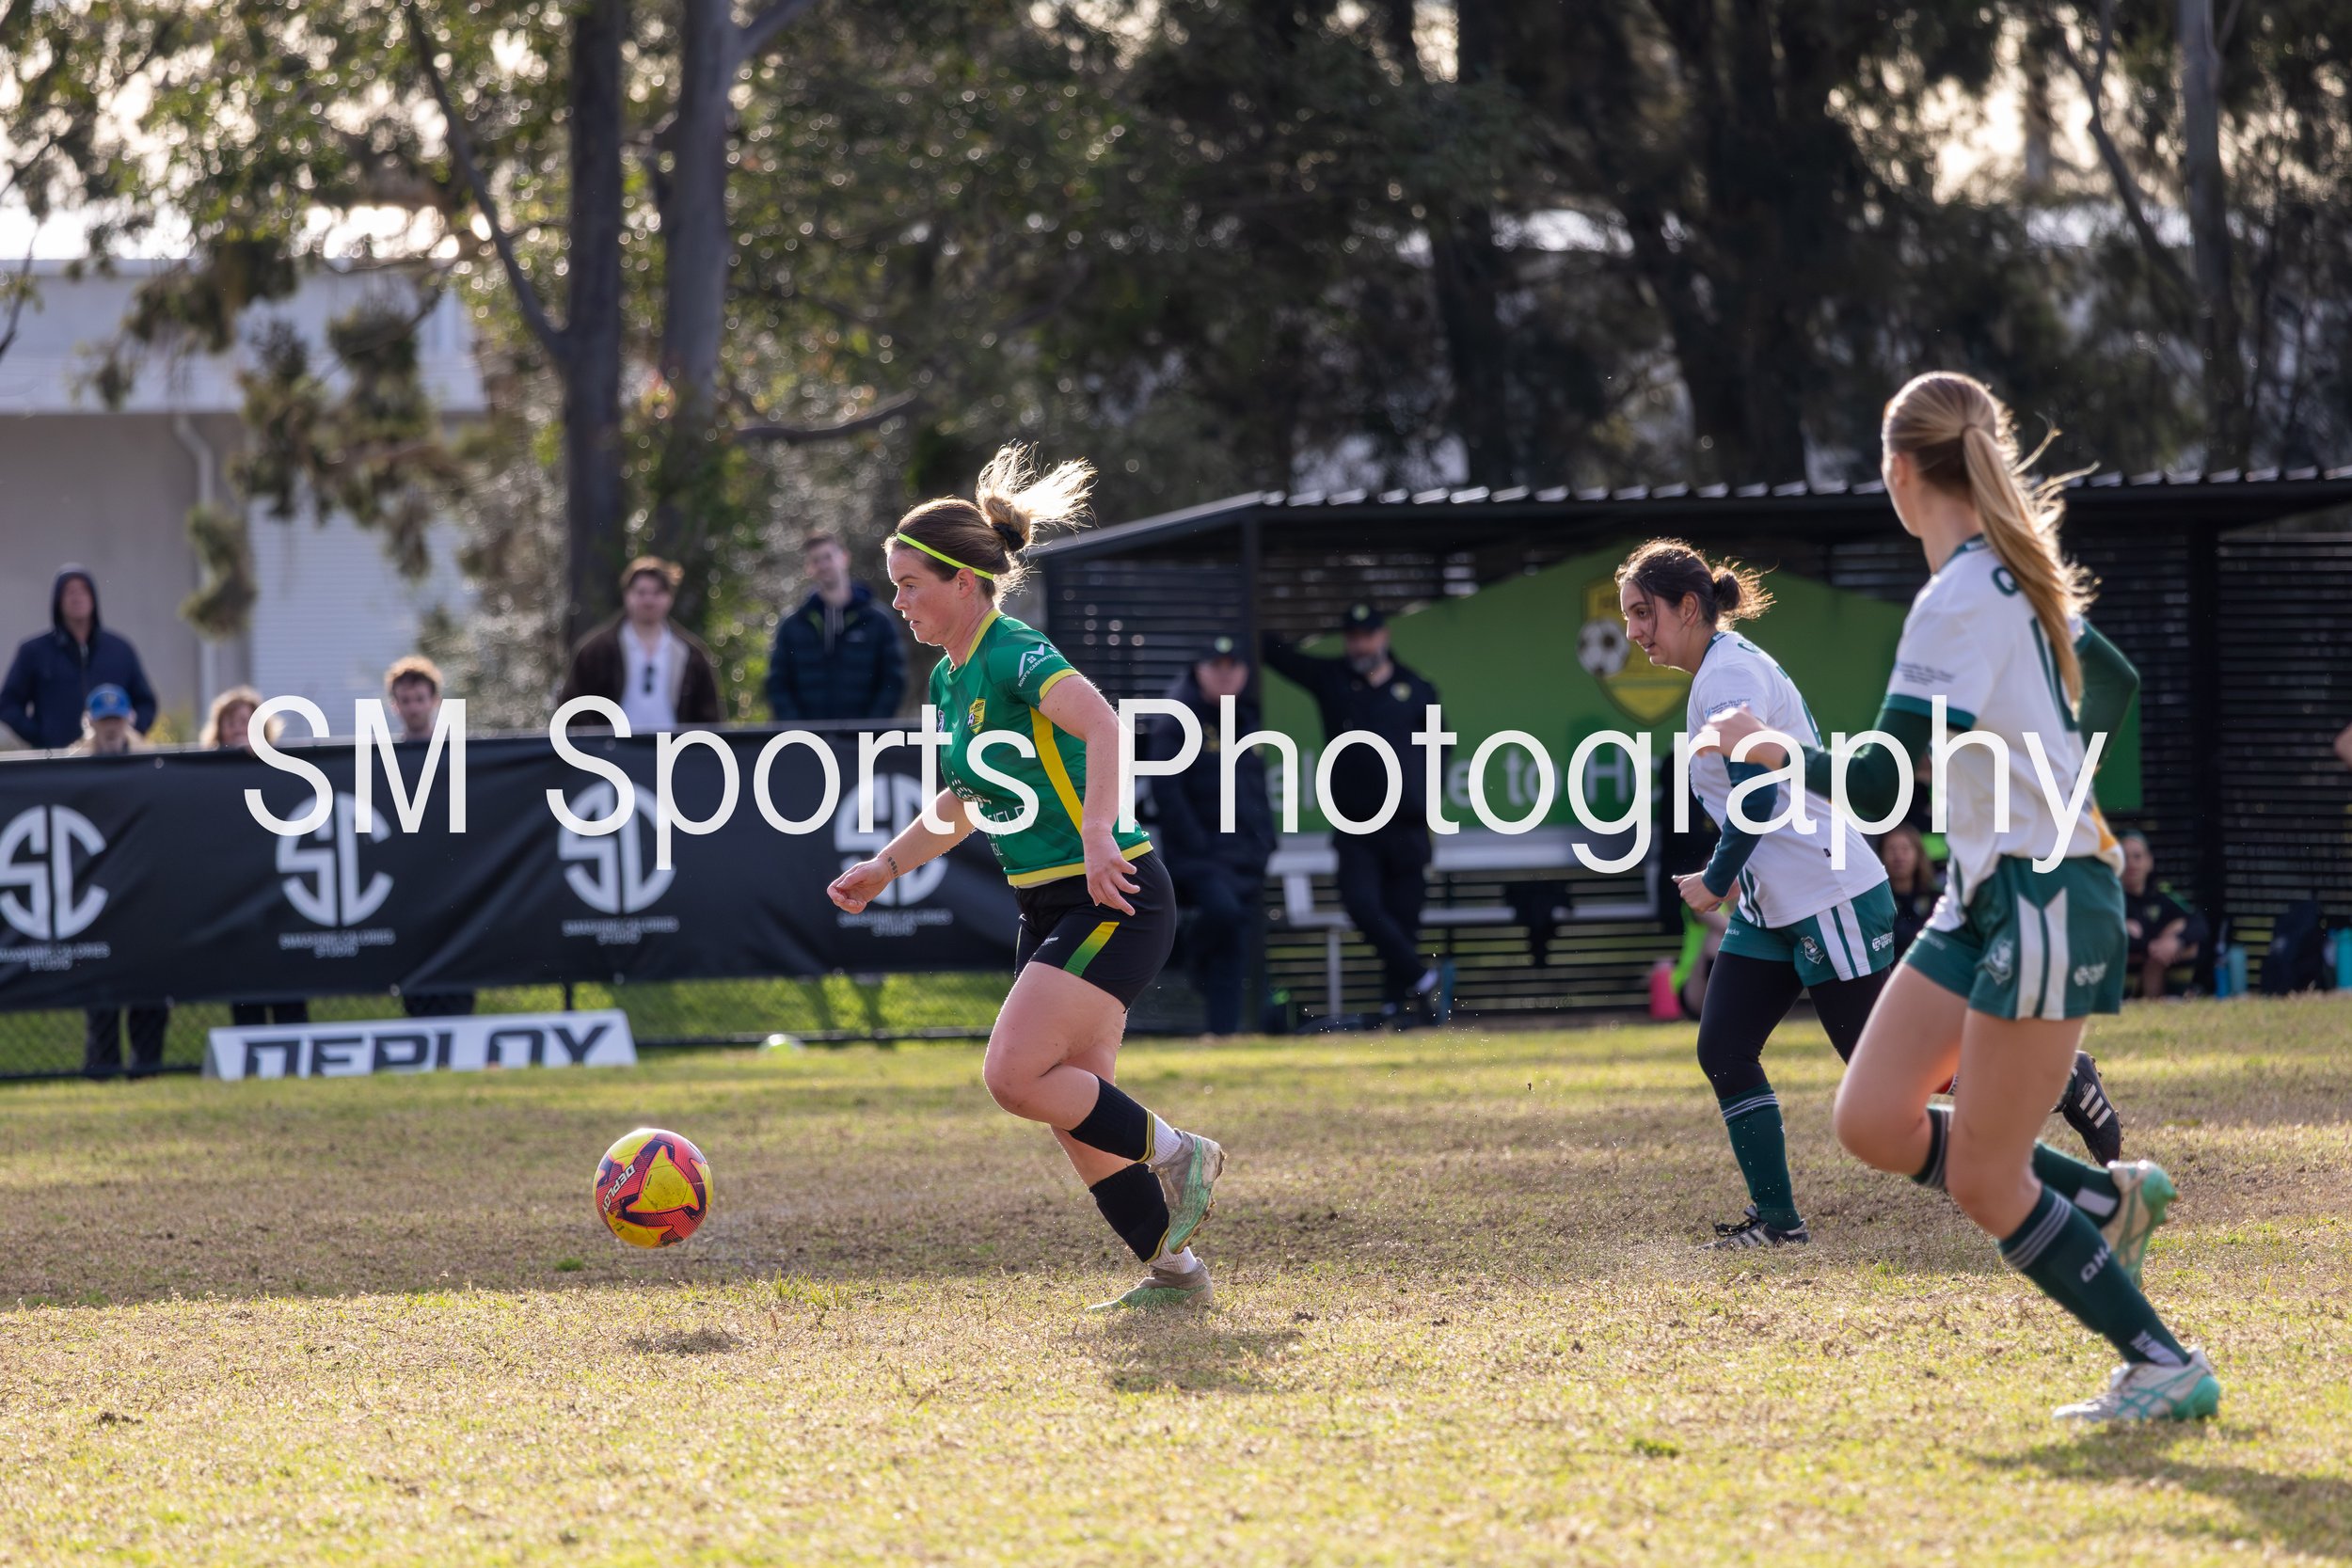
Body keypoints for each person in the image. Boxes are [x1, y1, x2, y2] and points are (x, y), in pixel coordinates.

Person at [1713, 371, 2216, 1422]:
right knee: (1871, 1118)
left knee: (1986, 1177)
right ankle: (2104, 1195)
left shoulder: (1957, 597)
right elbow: (2112, 683)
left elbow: (1874, 787)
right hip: (1986, 892)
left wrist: (1768, 749)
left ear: (1899, 471)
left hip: (2043, 896)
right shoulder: (2016, 574)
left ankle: (2162, 1361)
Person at [824, 445, 1226, 1312]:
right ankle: (1176, 1273)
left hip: (1110, 892)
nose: (898, 602)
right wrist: (886, 866)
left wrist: (1097, 834)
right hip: (1045, 902)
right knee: (1076, 1113)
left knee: (1013, 1076)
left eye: (910, 585)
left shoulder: (1013, 651)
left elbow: (1105, 725)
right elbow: (968, 798)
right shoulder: (950, 678)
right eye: (894, 587)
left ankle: (1182, 1151)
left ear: (965, 582)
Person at [1617, 539, 1898, 1250]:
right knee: (1724, 1046)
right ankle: (1778, 1223)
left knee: (1893, 1080)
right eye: (1628, 617)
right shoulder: (1718, 669)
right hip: (1777, 902)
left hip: (1827, 893)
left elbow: (1759, 795)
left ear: (1689, 607)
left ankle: (2060, 1085)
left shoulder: (1726, 678)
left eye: (1644, 613)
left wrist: (1714, 881)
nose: (1635, 631)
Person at [1262, 604, 1447, 1021]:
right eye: (1352, 637)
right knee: (1361, 904)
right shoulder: (1332, 678)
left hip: (1408, 825)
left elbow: (1441, 745)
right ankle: (1423, 979)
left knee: (1403, 919)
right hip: (1356, 825)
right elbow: (1280, 656)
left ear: (1384, 636)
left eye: (1367, 636)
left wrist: (1424, 794)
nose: (1360, 645)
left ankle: (1397, 1007)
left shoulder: (1416, 687)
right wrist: (1244, 616)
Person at [1143, 634, 1275, 1036]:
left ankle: (1223, 1033)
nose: (1225, 675)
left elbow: (1255, 787)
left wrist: (1265, 840)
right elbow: (1167, 790)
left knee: (1235, 942)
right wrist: (1197, 844)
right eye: (1216, 667)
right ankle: (1188, 959)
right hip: (1200, 858)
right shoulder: (1176, 719)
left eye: (1233, 667)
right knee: (1223, 916)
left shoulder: (1245, 717)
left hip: (1245, 853)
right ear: (1199, 670)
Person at [68, 686, 169, 1077]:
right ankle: (102, 1066)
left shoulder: (152, 764)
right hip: (95, 889)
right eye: (103, 721)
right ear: (90, 723)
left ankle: (147, 1064)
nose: (110, 728)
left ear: (128, 720)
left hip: (143, 890)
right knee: (100, 978)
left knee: (149, 975)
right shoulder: (71, 769)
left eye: (116, 720)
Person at [199, 686, 313, 1030]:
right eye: (231, 722)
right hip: (236, 900)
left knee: (288, 986)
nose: (239, 728)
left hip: (280, 896)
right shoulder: (203, 776)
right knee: (244, 988)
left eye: (246, 721)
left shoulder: (284, 770)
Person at [556, 557, 723, 731]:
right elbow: (573, 712)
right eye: (641, 592)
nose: (649, 600)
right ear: (627, 595)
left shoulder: (690, 654)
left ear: (670, 597)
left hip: (672, 747)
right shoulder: (596, 651)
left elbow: (710, 719)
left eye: (657, 593)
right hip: (613, 747)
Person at [1, 565, 157, 750]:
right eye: (70, 592)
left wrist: (127, 734)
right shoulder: (34, 652)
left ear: (93, 598)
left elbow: (146, 702)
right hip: (58, 760)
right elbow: (8, 705)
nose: (77, 597)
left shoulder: (119, 650)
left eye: (83, 590)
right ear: (58, 601)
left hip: (112, 760)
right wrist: (42, 737)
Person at [766, 532, 906, 721]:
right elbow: (778, 683)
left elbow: (893, 679)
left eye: (828, 557)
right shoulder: (793, 625)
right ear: (809, 568)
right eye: (816, 560)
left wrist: (872, 727)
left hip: (864, 736)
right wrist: (797, 730)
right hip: (807, 736)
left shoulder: (878, 621)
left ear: (844, 558)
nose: (823, 565)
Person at [2119, 831, 2204, 999]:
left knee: (2181, 930)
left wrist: (2177, 940)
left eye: (2137, 857)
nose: (2131, 864)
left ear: (2149, 861)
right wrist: (2146, 945)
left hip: (2157, 969)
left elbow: (2198, 922)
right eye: (2124, 857)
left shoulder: (2162, 894)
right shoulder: (2108, 898)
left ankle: (2173, 998)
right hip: (2126, 978)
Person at [1880, 824, 1942, 958]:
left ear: (1918, 854)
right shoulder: (1876, 903)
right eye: (1891, 849)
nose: (1898, 856)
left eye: (1905, 849)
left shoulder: (1938, 901)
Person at [387, 656, 445, 740]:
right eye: (405, 701)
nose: (413, 708)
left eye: (420, 699)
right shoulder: (385, 748)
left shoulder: (456, 747)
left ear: (435, 701)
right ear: (394, 705)